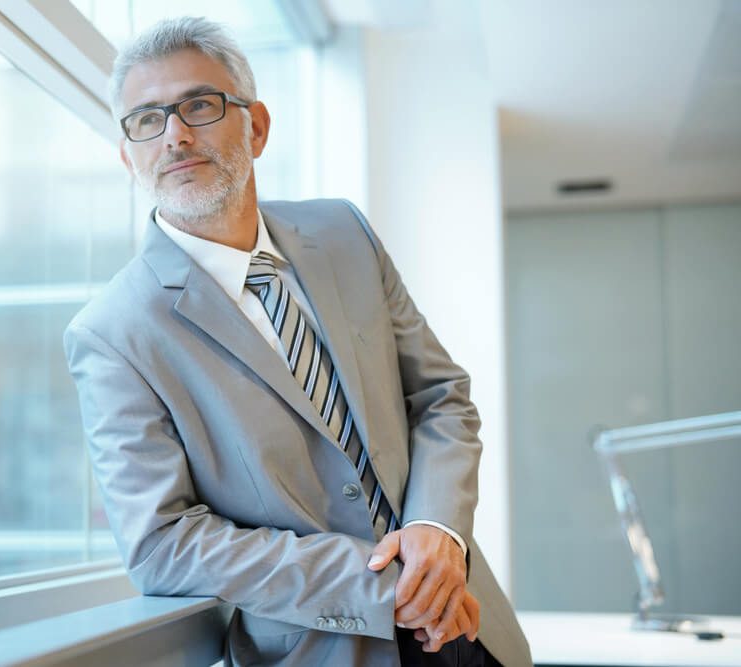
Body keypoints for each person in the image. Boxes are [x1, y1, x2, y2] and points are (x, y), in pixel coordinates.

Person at [64, 16, 531, 667]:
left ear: (255, 126)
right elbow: (163, 542)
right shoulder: (114, 332)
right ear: (128, 155)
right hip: (322, 648)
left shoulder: (342, 231)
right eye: (147, 118)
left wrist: (437, 527)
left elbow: (441, 397)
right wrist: (386, 578)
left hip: (469, 629)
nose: (174, 134)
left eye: (198, 104)